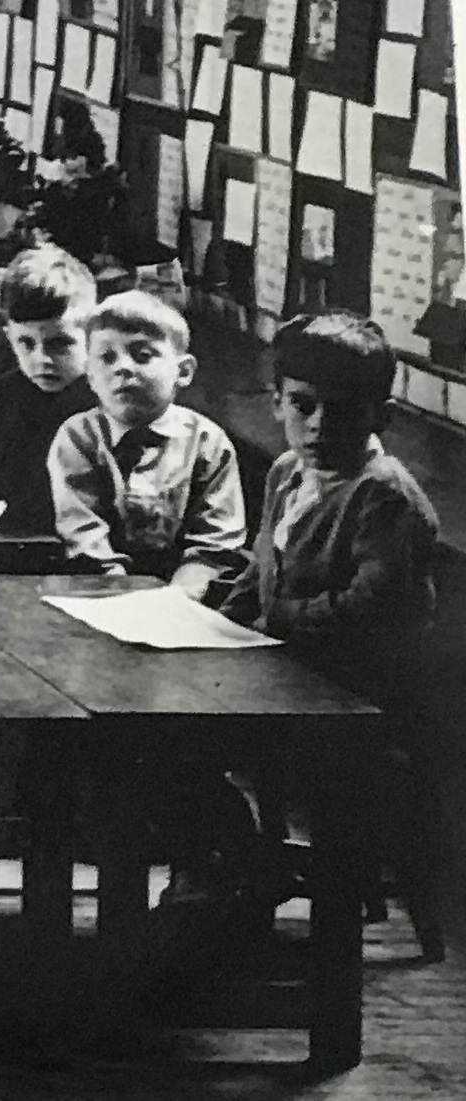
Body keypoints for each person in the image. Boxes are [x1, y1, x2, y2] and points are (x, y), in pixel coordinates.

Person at [220, 311, 444, 957]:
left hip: (360, 701)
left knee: (194, 747)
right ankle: (231, 876)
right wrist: (220, 620)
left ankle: (242, 880)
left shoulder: (385, 497)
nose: (319, 425)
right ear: (278, 402)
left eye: (343, 410)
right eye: (303, 405)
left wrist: (276, 621)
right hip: (293, 679)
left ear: (382, 416)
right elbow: (261, 567)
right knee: (166, 738)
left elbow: (368, 605)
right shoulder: (286, 472)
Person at [49, 289, 247, 599]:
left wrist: (176, 599)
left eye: (142, 355)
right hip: (99, 590)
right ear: (90, 376)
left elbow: (214, 542)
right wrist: (121, 593)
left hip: (184, 597)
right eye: (107, 358)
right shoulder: (78, 436)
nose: (122, 368)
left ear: (183, 371)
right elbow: (83, 531)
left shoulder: (208, 442)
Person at [0, 245, 97, 531]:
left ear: (91, 336)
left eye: (60, 343)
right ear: (8, 336)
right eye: (25, 343)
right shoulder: (0, 397)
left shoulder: (106, 402)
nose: (41, 359)